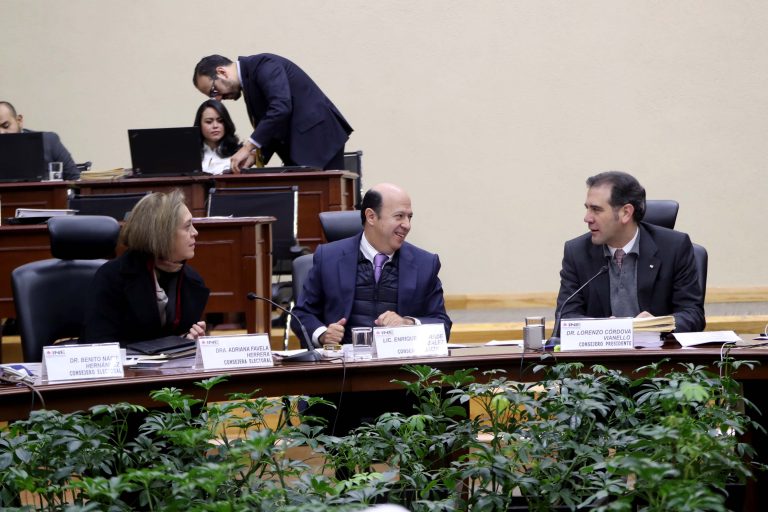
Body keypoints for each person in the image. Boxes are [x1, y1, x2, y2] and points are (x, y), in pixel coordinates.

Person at [292, 183, 452, 347]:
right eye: (399, 216)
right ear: (371, 217)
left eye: (409, 217)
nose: (407, 225)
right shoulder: (329, 258)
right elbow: (302, 314)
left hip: (399, 366)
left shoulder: (425, 264)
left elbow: (442, 325)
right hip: (342, 366)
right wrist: (323, 335)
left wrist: (408, 323)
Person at [556, 171, 705, 333]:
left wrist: (658, 324)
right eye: (587, 208)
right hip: (600, 356)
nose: (587, 218)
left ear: (626, 213)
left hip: (659, 354)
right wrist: (604, 328)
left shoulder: (674, 247)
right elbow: (566, 316)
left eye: (596, 210)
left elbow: (693, 315)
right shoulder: (577, 252)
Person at [82, 190, 210, 345]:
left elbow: (174, 341)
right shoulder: (112, 278)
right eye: (187, 226)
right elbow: (98, 343)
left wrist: (188, 341)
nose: (195, 232)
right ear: (162, 234)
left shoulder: (193, 282)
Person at [192, 53, 353, 172]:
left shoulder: (264, 65)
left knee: (325, 207)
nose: (217, 99)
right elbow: (275, 124)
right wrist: (254, 156)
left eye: (214, 91)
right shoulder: (250, 79)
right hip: (306, 146)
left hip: (320, 141)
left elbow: (281, 108)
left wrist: (247, 148)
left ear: (222, 72)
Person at [0, 101, 80, 180]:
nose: (1, 132)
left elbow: (74, 178)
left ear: (19, 121)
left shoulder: (49, 141)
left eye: (6, 125)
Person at [193, 99, 242, 174]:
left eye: (220, 121)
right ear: (199, 125)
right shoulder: (190, 155)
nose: (215, 126)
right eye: (209, 122)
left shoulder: (238, 153)